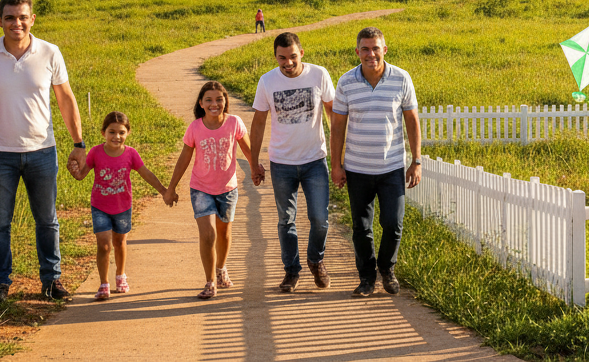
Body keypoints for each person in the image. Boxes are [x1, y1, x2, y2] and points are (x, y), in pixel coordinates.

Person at [0, 0, 85, 303]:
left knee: (47, 220)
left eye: (23, 17)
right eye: (9, 17)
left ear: (32, 19)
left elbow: (65, 99)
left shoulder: (50, 52)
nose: (16, 23)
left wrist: (78, 143)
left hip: (41, 150)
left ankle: (51, 281)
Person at [330, 26, 421, 298]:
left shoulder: (401, 79)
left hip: (392, 167)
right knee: (361, 227)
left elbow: (412, 121)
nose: (371, 54)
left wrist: (416, 161)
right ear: (357, 51)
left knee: (393, 223)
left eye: (376, 48)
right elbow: (337, 127)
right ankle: (367, 277)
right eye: (366, 49)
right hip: (357, 168)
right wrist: (337, 165)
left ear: (385, 49)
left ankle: (387, 269)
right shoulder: (346, 82)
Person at [250, 33, 335, 292]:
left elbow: (333, 115)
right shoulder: (267, 81)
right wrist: (254, 163)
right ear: (276, 56)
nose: (288, 63)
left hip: (315, 161)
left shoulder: (319, 74)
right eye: (282, 58)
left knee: (320, 218)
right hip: (281, 163)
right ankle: (291, 272)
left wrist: (340, 156)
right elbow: (258, 123)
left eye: (293, 56)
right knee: (286, 220)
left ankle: (315, 260)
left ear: (302, 53)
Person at [67, 110, 173, 300]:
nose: (117, 136)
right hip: (100, 206)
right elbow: (82, 175)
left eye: (121, 132)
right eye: (112, 132)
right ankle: (103, 284)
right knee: (104, 246)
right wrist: (74, 169)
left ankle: (120, 276)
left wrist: (164, 190)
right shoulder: (96, 152)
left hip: (122, 207)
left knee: (119, 242)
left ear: (128, 133)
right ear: (103, 133)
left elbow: (146, 173)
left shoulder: (131, 154)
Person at [164, 81, 254, 300]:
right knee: (208, 234)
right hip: (201, 188)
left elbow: (247, 148)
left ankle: (221, 269)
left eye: (219, 99)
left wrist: (256, 168)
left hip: (227, 188)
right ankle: (210, 281)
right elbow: (185, 157)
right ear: (201, 103)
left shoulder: (234, 122)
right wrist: (171, 188)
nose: (215, 104)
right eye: (209, 100)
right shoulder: (195, 127)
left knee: (224, 233)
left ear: (225, 101)